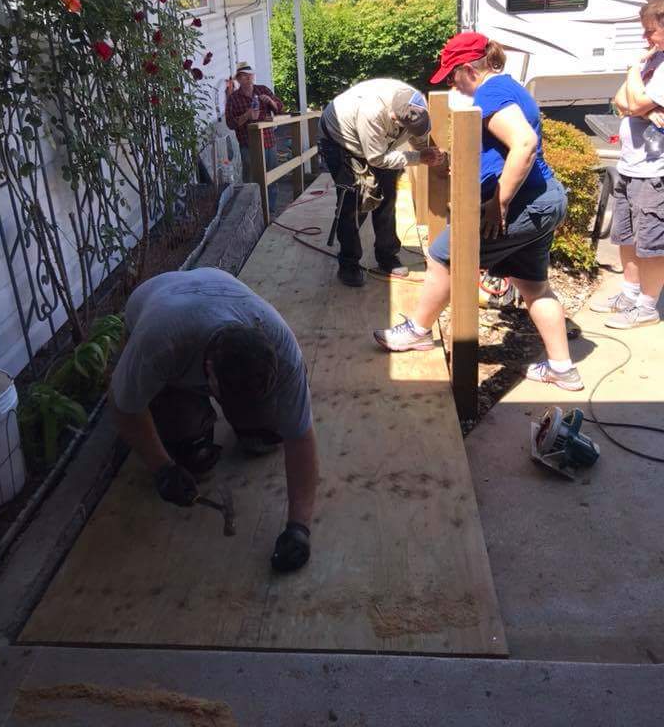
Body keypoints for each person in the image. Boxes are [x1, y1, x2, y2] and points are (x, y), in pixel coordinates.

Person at [374, 32, 584, 393]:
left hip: (523, 205)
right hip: (543, 200)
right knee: (534, 286)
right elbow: (503, 150)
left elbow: (524, 143)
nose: (453, 84)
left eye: (452, 76)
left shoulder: (490, 93)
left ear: (469, 68)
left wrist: (497, 202)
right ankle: (563, 369)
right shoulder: (510, 87)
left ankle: (418, 331)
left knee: (443, 255)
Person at [108, 267, 318, 573]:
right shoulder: (158, 344)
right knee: (191, 456)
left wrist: (299, 528)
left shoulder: (282, 349)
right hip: (159, 301)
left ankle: (232, 421)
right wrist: (162, 468)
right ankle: (187, 417)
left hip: (212, 291)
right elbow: (122, 405)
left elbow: (301, 437)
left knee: (264, 436)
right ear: (209, 373)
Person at [318, 78, 445, 288]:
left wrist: (433, 157)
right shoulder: (372, 112)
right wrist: (418, 158)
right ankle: (348, 262)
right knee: (355, 202)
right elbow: (376, 159)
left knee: (388, 197)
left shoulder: (414, 101)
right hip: (340, 141)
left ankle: (387, 255)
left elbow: (418, 137)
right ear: (394, 118)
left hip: (378, 144)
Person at [591, 0, 664, 328]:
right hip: (631, 164)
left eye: (651, 31)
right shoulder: (653, 62)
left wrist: (634, 71)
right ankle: (630, 294)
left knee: (652, 243)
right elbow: (621, 101)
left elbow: (634, 104)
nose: (645, 39)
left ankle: (647, 306)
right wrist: (644, 103)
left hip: (654, 171)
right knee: (626, 236)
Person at [225, 61, 284, 213]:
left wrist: (270, 101)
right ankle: (252, 212)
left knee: (271, 176)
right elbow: (230, 123)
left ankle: (270, 210)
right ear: (238, 79)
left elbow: (280, 108)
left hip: (268, 140)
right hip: (248, 144)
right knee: (251, 179)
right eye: (244, 76)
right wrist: (247, 115)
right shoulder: (233, 98)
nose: (249, 78)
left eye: (250, 75)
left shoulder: (262, 90)